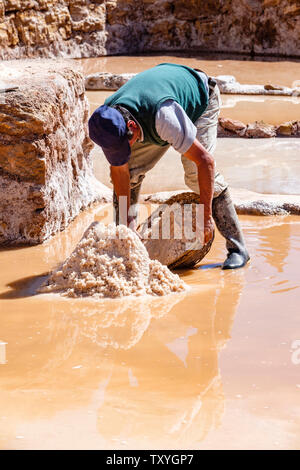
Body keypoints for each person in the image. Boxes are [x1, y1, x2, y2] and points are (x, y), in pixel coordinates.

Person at [88, 63, 250, 269]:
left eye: (124, 145)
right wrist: (125, 232)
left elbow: (205, 162)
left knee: (193, 172)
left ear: (131, 127)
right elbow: (120, 172)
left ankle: (238, 248)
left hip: (200, 99)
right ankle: (128, 240)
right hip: (156, 104)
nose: (121, 152)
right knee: (131, 170)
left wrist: (206, 218)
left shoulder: (163, 118)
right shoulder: (107, 122)